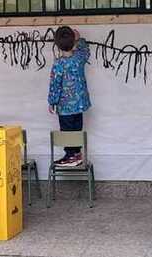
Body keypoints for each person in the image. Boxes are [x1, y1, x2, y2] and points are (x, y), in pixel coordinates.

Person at [48, 26, 91, 167]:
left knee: (67, 131)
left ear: (57, 44)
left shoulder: (59, 64)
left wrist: (52, 102)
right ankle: (77, 154)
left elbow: (55, 84)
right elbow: (85, 51)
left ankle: (71, 155)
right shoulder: (78, 59)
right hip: (79, 104)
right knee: (77, 129)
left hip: (65, 106)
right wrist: (80, 40)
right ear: (73, 42)